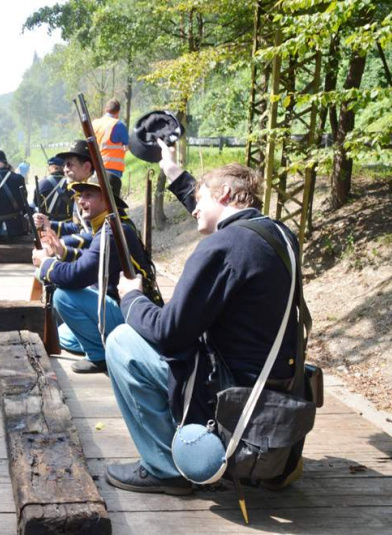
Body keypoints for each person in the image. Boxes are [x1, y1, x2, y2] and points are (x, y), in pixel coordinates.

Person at [103, 139, 303, 495]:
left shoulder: (223, 247)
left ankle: (166, 469)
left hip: (230, 394)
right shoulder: (279, 235)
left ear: (225, 193)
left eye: (200, 201)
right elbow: (210, 214)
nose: (193, 211)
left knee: (122, 341)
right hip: (271, 386)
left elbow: (169, 333)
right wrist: (174, 172)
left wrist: (132, 298)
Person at [32, 171, 160, 374]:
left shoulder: (113, 230)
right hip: (118, 308)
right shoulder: (112, 225)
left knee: (63, 296)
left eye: (89, 195)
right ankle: (105, 343)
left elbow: (78, 276)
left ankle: (100, 357)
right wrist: (62, 251)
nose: (81, 200)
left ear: (107, 200)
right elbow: (92, 257)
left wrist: (46, 264)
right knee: (63, 335)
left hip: (129, 313)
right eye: (81, 195)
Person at [92, 99, 128, 197]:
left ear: (105, 109)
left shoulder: (94, 123)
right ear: (118, 112)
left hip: (95, 166)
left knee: (97, 195)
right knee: (112, 198)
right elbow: (127, 144)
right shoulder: (118, 124)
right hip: (113, 168)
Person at [36, 156, 73, 223]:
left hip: (48, 224)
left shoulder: (41, 183)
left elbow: (36, 203)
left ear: (54, 168)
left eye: (49, 167)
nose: (47, 169)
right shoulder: (71, 181)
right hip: (69, 223)